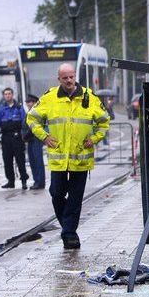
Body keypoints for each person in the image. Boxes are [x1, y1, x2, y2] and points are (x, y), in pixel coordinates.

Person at [26, 63, 110, 249]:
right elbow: (32, 118)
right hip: (58, 158)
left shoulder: (89, 97)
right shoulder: (49, 98)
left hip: (81, 158)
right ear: (59, 79)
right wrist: (44, 137)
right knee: (56, 193)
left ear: (75, 76)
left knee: (75, 197)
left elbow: (104, 121)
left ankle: (70, 233)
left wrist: (95, 138)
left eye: (71, 76)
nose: (69, 80)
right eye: (65, 78)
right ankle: (68, 225)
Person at [0, 87, 28, 189]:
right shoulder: (1, 109)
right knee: (7, 160)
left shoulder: (19, 108)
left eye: (9, 94)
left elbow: (24, 122)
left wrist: (24, 134)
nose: (7, 95)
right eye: (6, 94)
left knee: (20, 160)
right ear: (4, 96)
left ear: (12, 95)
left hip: (17, 138)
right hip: (6, 138)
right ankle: (11, 181)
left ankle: (23, 181)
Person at [23, 95, 45, 190]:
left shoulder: (36, 112)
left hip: (36, 138)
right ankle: (36, 181)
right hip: (30, 139)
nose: (29, 104)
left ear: (35, 102)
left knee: (38, 161)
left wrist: (26, 135)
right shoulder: (29, 112)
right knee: (32, 161)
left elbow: (35, 126)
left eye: (31, 102)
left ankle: (40, 182)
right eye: (27, 102)